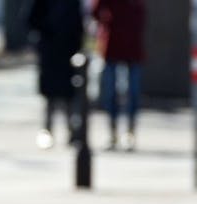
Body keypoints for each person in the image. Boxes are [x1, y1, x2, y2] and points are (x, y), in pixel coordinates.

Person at [26, 0, 85, 149]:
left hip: (66, 52)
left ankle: (71, 130)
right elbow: (31, 19)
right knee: (50, 96)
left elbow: (78, 24)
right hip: (49, 50)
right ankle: (47, 131)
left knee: (68, 95)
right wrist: (46, 31)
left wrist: (76, 46)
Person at [91, 0, 145, 150]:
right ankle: (113, 133)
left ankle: (130, 133)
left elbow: (141, 13)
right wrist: (107, 24)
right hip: (112, 47)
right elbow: (95, 11)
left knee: (133, 93)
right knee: (110, 93)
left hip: (133, 49)